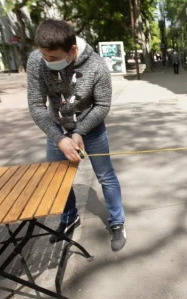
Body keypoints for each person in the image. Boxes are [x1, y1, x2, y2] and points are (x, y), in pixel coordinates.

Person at [27, 20, 127, 252]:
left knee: (106, 176)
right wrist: (59, 137)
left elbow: (102, 105)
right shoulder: (36, 61)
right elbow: (36, 104)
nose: (47, 61)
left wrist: (80, 131)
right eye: (44, 56)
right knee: (58, 178)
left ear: (72, 51)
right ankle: (69, 217)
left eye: (53, 58)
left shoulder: (97, 66)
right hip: (57, 128)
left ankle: (117, 221)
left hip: (91, 128)